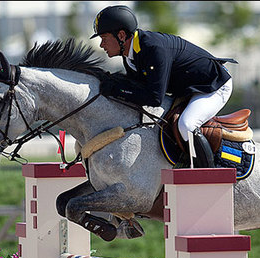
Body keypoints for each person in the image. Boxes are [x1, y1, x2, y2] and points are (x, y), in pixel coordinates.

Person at [90, 5, 235, 167]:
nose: (102, 45)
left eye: (104, 38)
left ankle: (208, 174)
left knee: (186, 124)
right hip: (189, 88)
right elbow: (137, 88)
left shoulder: (153, 49)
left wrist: (117, 90)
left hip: (214, 85)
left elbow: (154, 98)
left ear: (121, 35)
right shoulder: (130, 56)